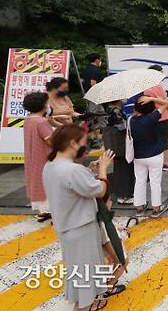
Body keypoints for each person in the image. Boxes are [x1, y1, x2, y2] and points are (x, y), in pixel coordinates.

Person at [43, 125, 125, 311]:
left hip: (67, 228)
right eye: (83, 142)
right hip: (81, 230)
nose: (86, 145)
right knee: (85, 282)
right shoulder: (72, 170)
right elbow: (99, 190)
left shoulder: (50, 166)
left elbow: (75, 187)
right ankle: (86, 307)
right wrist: (103, 169)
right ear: (72, 144)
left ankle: (93, 303)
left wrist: (89, 170)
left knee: (81, 275)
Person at [129, 96, 168, 218]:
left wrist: (140, 103)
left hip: (138, 156)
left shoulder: (131, 120)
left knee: (140, 181)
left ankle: (139, 208)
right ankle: (156, 208)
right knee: (155, 182)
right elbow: (166, 103)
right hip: (154, 155)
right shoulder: (152, 118)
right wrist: (151, 98)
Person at [22, 92, 53, 222]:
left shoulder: (28, 120)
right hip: (44, 157)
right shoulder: (42, 122)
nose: (48, 105)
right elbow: (51, 141)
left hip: (33, 157)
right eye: (47, 103)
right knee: (49, 183)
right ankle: (52, 212)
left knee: (37, 181)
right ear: (42, 106)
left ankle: (43, 211)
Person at [102, 99, 135, 205]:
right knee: (125, 169)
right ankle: (124, 196)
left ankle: (121, 194)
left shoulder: (108, 110)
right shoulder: (115, 111)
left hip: (114, 146)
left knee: (119, 169)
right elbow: (123, 127)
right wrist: (132, 118)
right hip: (121, 145)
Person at [144, 65, 168, 171]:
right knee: (163, 140)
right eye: (161, 72)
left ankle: (155, 162)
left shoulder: (146, 88)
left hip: (151, 118)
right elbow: (165, 101)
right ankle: (165, 163)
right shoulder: (158, 87)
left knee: (154, 140)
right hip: (162, 116)